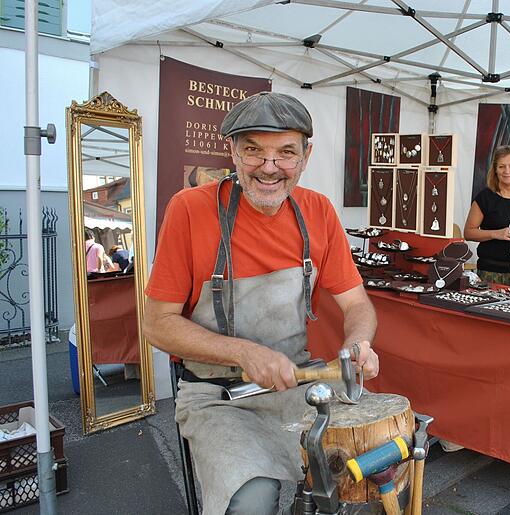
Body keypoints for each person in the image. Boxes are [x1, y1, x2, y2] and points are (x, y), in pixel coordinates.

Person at [142, 92, 379, 515]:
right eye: (253, 150)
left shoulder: (318, 211)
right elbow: (157, 324)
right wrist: (244, 353)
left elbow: (357, 304)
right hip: (217, 395)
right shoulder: (190, 211)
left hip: (298, 385)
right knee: (252, 500)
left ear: (305, 156)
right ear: (232, 152)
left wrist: (359, 342)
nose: (269, 168)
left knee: (366, 466)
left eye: (286, 153)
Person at [463, 145, 510, 288]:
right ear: (495, 169)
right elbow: (469, 232)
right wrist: (496, 234)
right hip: (491, 272)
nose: (507, 171)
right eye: (502, 166)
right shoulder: (485, 198)